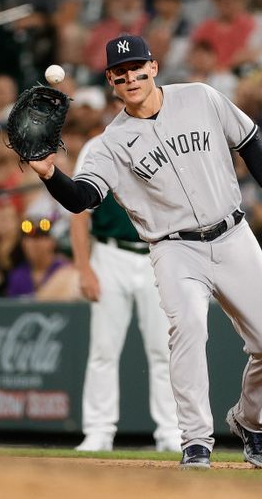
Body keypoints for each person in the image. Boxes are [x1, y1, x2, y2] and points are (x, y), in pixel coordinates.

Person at [27, 34, 262, 469]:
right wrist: (49, 173)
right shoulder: (109, 143)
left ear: (154, 67)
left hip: (233, 236)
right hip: (174, 250)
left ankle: (251, 421)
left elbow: (247, 140)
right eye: (121, 73)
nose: (131, 77)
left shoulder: (200, 97)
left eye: (138, 68)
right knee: (188, 328)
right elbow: (81, 199)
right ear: (111, 81)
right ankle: (195, 440)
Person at [70, 137, 181, 452]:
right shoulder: (97, 146)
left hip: (157, 252)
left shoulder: (166, 140)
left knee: (164, 349)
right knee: (103, 349)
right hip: (109, 253)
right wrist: (84, 268)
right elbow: (79, 210)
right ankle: (98, 431)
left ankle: (171, 432)